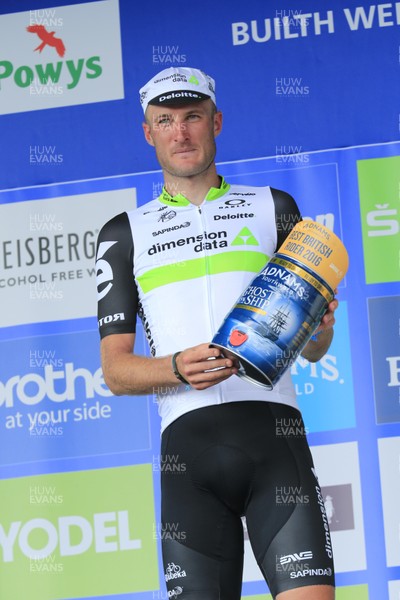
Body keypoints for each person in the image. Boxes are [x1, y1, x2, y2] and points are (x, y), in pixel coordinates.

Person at [96, 67, 337, 600]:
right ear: (148, 132)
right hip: (189, 456)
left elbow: (315, 349)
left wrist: (319, 331)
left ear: (216, 122)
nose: (180, 132)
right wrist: (176, 367)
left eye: (192, 117)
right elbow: (115, 370)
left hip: (276, 442)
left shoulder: (274, 208)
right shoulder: (123, 233)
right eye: (165, 121)